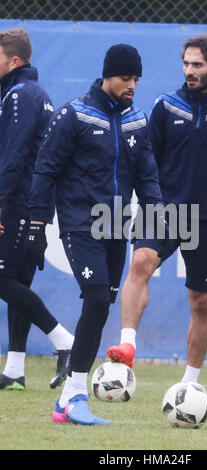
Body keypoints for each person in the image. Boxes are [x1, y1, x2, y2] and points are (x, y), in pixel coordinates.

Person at [29, 44, 163, 425]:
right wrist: (38, 225)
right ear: (107, 76)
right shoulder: (74, 114)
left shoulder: (137, 120)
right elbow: (46, 169)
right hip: (79, 223)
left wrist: (159, 221)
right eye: (125, 78)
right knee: (94, 296)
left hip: (116, 225)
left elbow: (148, 176)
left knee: (102, 303)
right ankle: (72, 396)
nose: (131, 85)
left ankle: (68, 403)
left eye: (136, 79)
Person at [107, 35, 207, 383]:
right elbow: (145, 160)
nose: (190, 70)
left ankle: (189, 385)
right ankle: (127, 346)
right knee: (140, 262)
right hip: (163, 209)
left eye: (197, 65)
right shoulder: (166, 106)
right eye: (186, 63)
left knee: (202, 303)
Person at [0, 28, 74, 391]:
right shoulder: (31, 93)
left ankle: (65, 341)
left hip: (17, 202)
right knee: (18, 281)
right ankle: (14, 369)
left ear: (15, 60)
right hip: (31, 202)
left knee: (3, 280)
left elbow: (13, 158)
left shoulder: (20, 95)